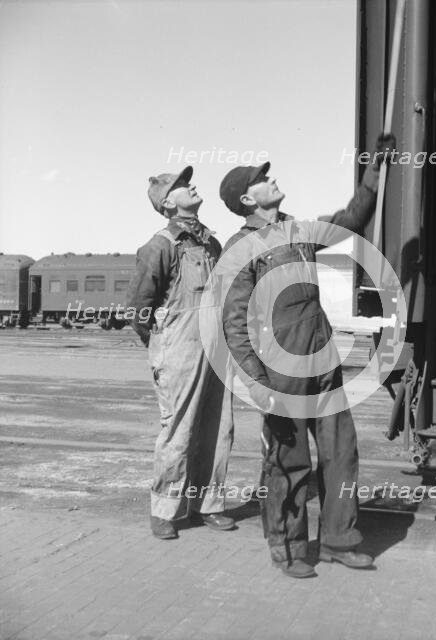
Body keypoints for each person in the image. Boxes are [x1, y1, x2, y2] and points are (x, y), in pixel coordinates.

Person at [218, 134, 395, 577]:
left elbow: (350, 220)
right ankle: (289, 549)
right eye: (263, 179)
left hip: (323, 359)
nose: (272, 178)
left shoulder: (300, 231)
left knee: (341, 453)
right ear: (247, 199)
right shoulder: (241, 249)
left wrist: (374, 172)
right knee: (287, 461)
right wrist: (258, 384)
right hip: (281, 370)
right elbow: (234, 325)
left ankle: (339, 539)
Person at [127, 165, 235, 539]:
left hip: (216, 348)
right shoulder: (159, 246)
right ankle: (165, 510)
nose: (192, 188)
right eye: (184, 186)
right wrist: (163, 343)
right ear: (169, 204)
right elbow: (138, 307)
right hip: (180, 349)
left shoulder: (210, 242)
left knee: (218, 428)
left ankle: (208, 504)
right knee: (179, 428)